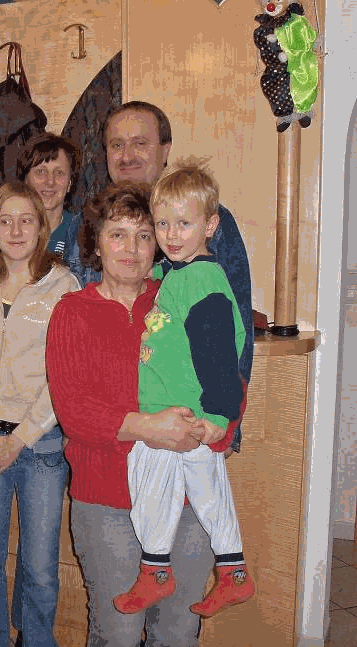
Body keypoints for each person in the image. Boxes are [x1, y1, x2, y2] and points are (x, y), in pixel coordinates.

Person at [46, 183, 214, 647]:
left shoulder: (179, 299)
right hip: (107, 499)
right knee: (118, 632)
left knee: (179, 631)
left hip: (186, 496)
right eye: (117, 234)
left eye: (143, 236)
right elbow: (74, 411)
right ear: (96, 243)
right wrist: (149, 427)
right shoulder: (72, 312)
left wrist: (212, 428)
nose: (131, 248)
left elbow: (223, 376)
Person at [113, 161, 255, 617]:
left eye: (184, 224)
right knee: (209, 492)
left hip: (186, 415)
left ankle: (156, 570)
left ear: (210, 226)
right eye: (162, 224)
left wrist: (218, 415)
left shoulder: (201, 281)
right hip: (181, 413)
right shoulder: (181, 274)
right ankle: (233, 572)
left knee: (151, 480)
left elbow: (219, 355)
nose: (171, 235)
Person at [94, 101, 253, 453]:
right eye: (117, 144)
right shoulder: (98, 219)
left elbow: (234, 329)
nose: (127, 155)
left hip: (192, 423)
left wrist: (227, 423)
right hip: (129, 425)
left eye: (140, 142)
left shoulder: (211, 222)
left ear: (165, 150)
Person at [0, 182, 80, 647]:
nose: (15, 230)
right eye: (5, 220)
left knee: (41, 566)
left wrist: (20, 438)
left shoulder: (63, 285)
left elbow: (64, 374)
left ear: (41, 227)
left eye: (26, 220)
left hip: (42, 443)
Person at [0, 133, 101, 288]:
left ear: (70, 183)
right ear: (25, 179)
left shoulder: (85, 234)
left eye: (59, 173)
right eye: (41, 171)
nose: (50, 181)